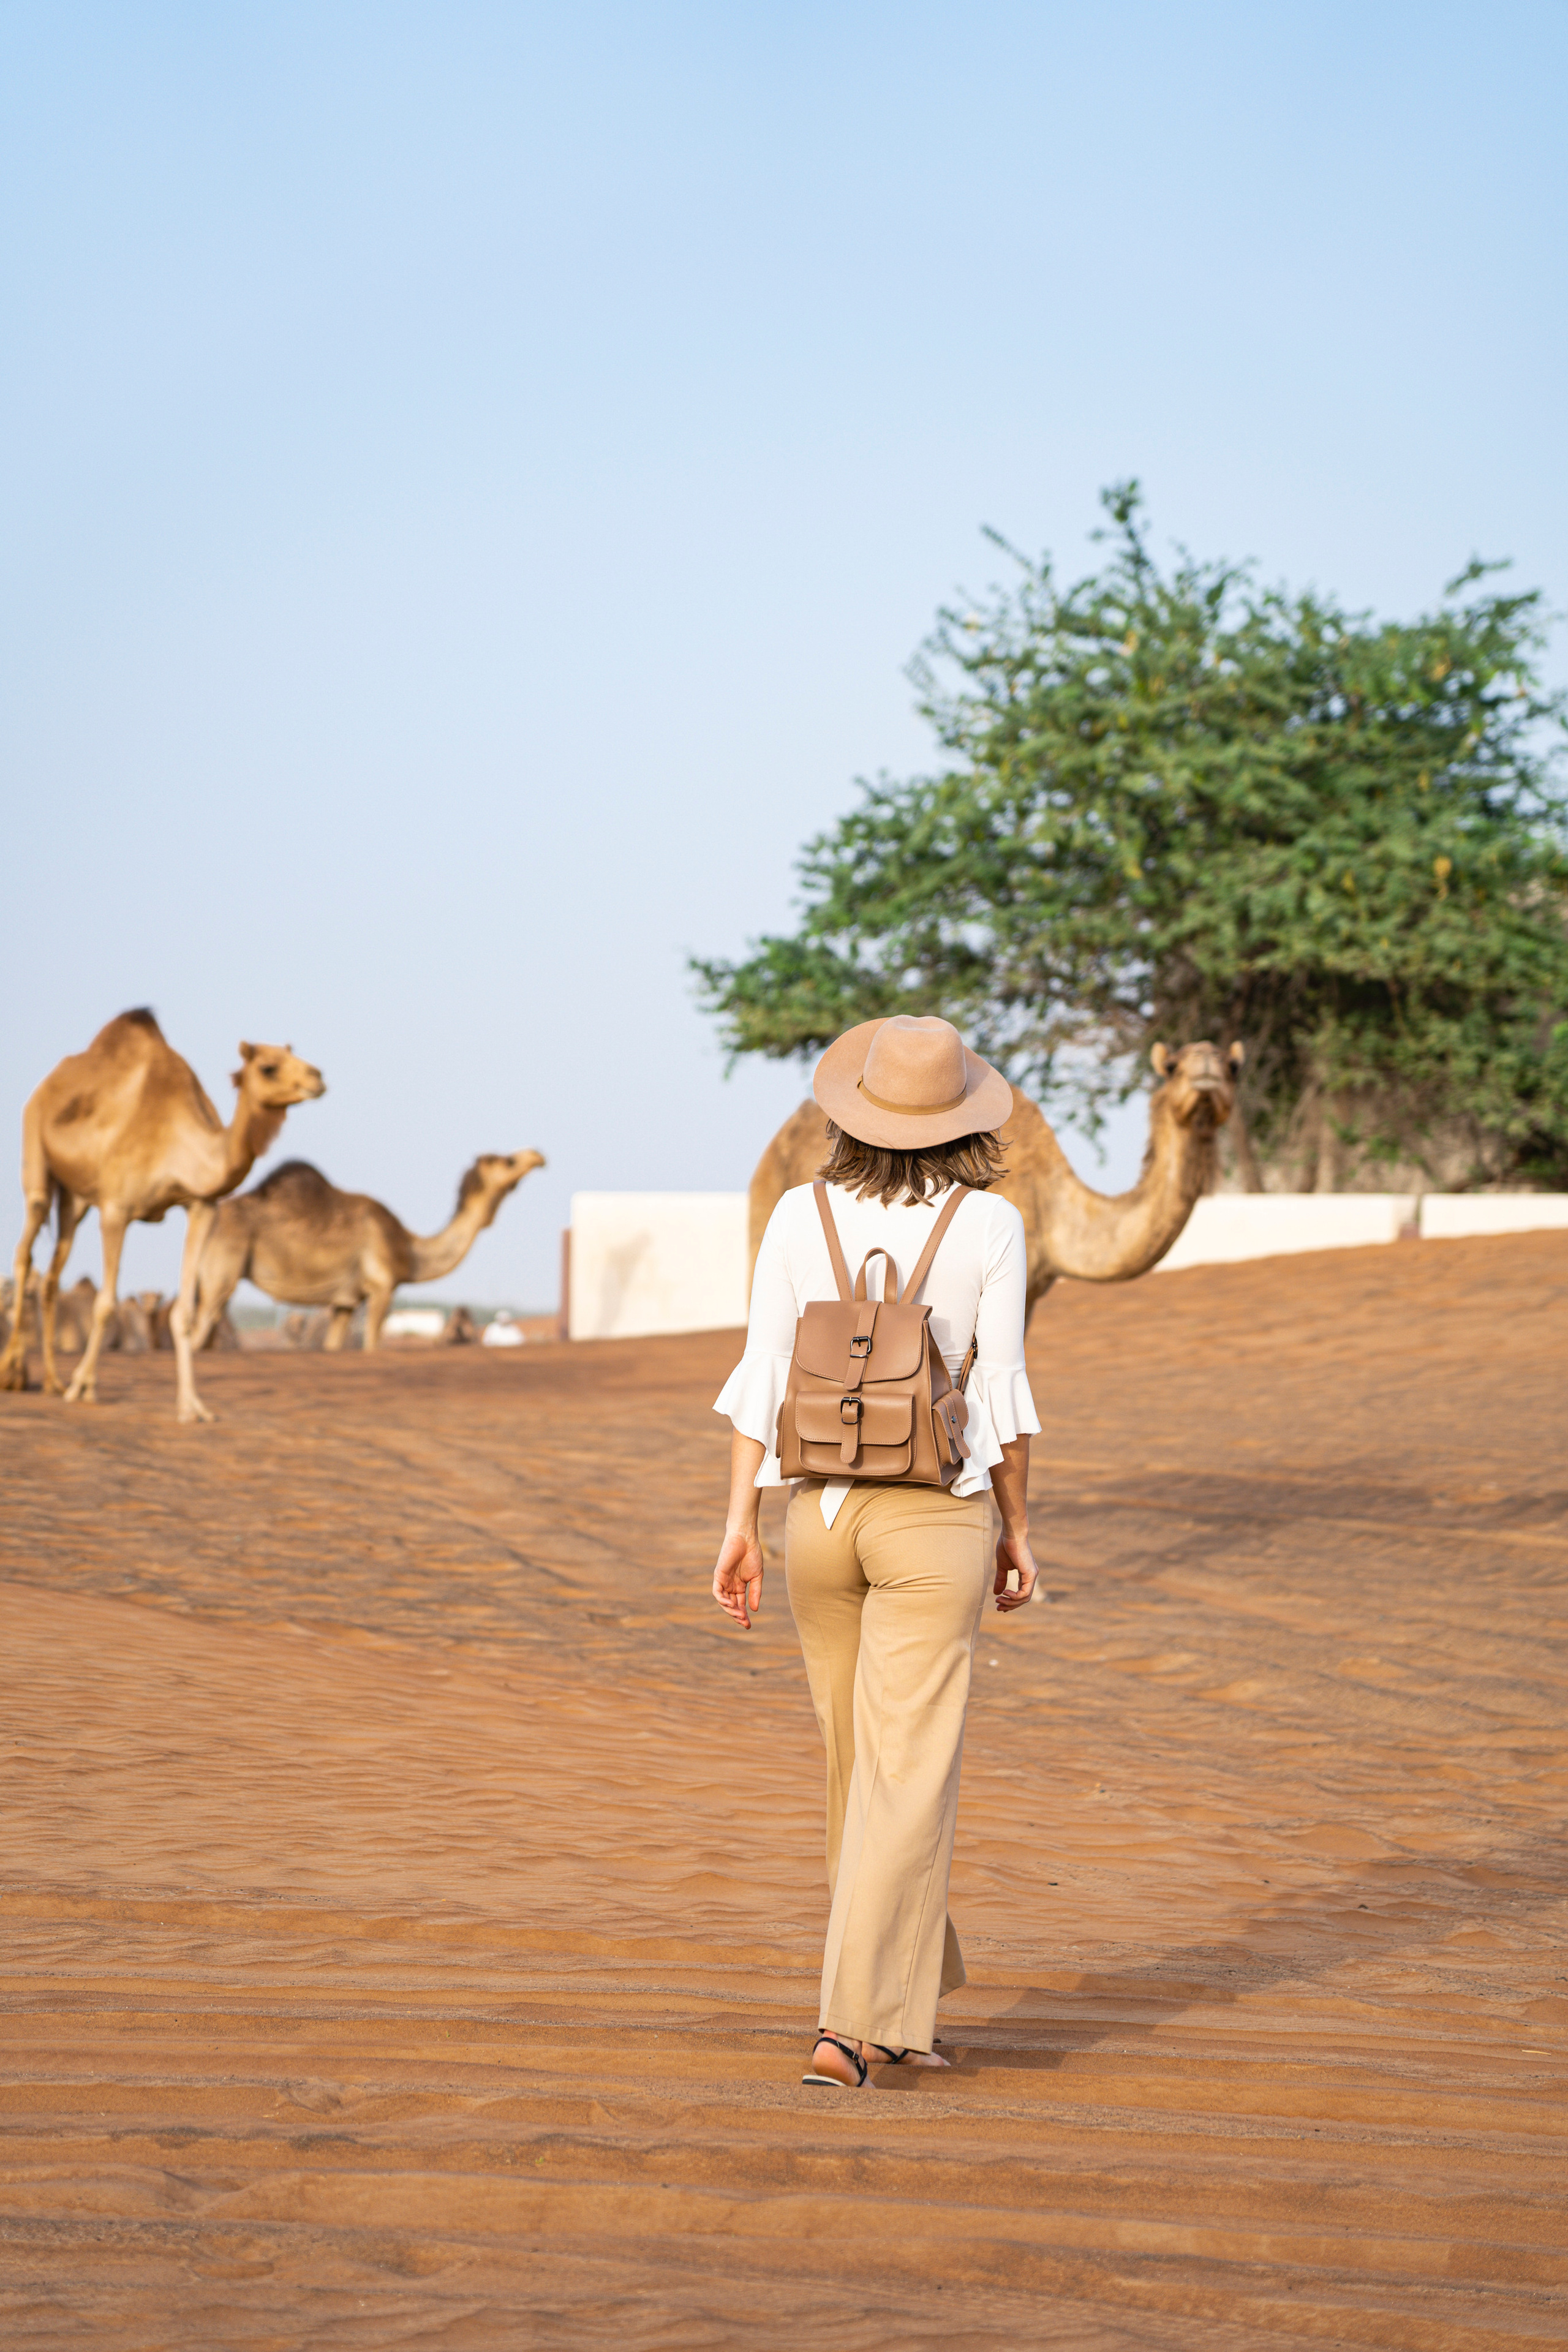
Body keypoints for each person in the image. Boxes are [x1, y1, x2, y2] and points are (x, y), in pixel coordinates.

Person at [710, 1014, 1041, 2088]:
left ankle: (902, 2010)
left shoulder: (797, 1214)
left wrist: (740, 1523)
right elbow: (1002, 1393)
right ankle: (847, 2026)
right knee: (908, 1773)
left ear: (854, 1113)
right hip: (934, 1516)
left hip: (817, 1519)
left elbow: (763, 1374)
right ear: (965, 1119)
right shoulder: (989, 1225)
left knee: (862, 1772)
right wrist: (1018, 1527)